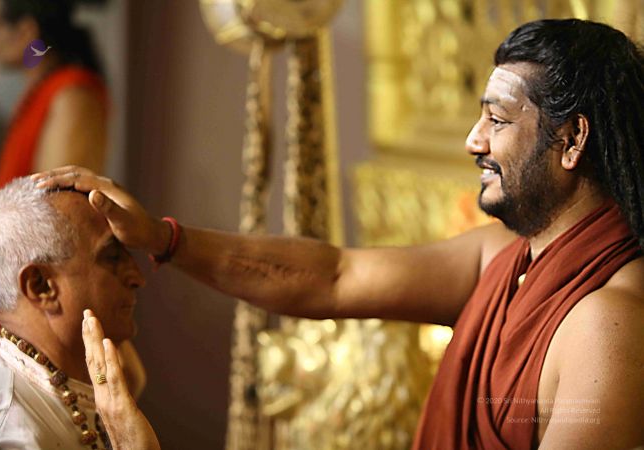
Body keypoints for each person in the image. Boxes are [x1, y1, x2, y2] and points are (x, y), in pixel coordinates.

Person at [37, 18, 644, 450]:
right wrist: (161, 237)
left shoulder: (607, 327)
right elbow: (331, 277)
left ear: (571, 140)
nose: (473, 140)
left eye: (498, 119)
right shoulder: (502, 258)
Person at [0, 0, 109, 352]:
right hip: (9, 291)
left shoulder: (71, 93)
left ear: (27, 31)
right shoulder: (40, 89)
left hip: (31, 306)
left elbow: (55, 215)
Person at [0, 177, 146, 449]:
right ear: (41, 286)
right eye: (112, 256)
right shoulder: (8, 431)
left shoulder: (83, 381)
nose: (137, 278)